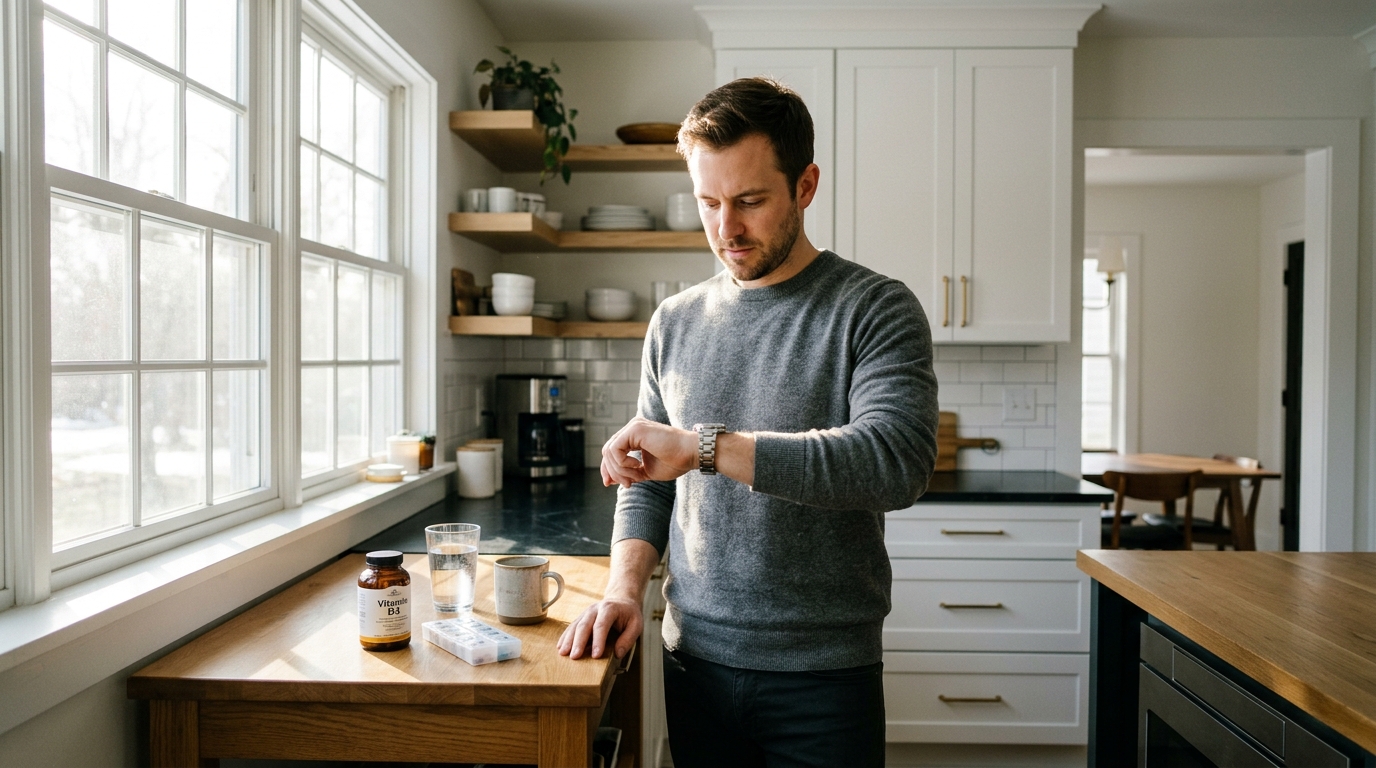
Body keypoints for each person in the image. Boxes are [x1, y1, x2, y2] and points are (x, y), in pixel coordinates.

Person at [556, 77, 939, 768]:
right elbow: (648, 478)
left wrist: (703, 447)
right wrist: (624, 589)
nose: (726, 228)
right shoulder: (674, 322)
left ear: (806, 185)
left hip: (826, 677)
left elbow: (894, 462)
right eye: (708, 203)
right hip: (693, 662)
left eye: (750, 201)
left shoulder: (873, 308)